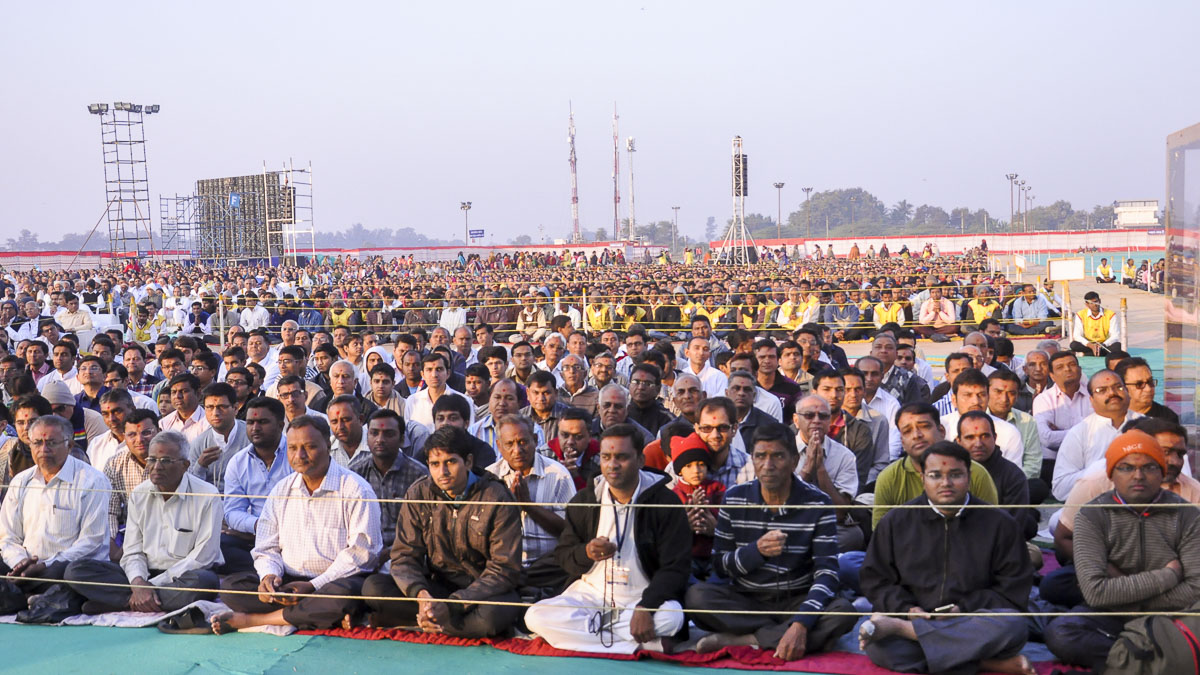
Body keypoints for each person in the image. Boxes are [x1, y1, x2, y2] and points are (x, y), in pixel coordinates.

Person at [859, 440, 1035, 675]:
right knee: (881, 648)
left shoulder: (1000, 524)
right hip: (913, 615)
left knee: (1013, 625)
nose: (946, 483)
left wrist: (962, 609)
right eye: (935, 475)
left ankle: (905, 631)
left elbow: (1012, 589)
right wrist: (907, 609)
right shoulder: (895, 522)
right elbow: (876, 580)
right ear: (922, 478)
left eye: (955, 475)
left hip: (971, 619)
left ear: (969, 477)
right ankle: (986, 664)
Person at [686, 423, 857, 660]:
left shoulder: (818, 503)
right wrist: (756, 551)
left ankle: (747, 640)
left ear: (794, 461)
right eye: (760, 456)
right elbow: (719, 565)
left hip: (797, 598)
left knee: (844, 613)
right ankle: (785, 636)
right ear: (752, 460)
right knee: (696, 598)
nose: (768, 465)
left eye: (777, 456)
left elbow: (827, 573)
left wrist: (801, 622)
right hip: (747, 599)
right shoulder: (734, 499)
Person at [525, 424, 690, 654]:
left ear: (640, 460)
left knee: (672, 618)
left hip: (642, 596)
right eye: (606, 457)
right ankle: (641, 644)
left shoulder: (665, 502)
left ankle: (588, 635)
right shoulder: (585, 500)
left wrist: (646, 607)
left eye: (622, 457)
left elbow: (676, 567)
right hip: (591, 596)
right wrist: (586, 553)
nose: (612, 465)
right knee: (535, 616)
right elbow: (564, 556)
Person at [1044, 430, 1200, 670]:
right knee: (1062, 632)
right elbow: (1095, 592)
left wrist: (1134, 603)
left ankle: (1131, 660)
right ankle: (1159, 659)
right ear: (1111, 474)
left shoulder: (1186, 514)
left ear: (1161, 473)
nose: (1138, 476)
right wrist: (1167, 576)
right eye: (1126, 468)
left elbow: (1195, 588)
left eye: (1149, 467)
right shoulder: (1092, 515)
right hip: (1111, 614)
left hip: (1172, 615)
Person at [212, 415, 381, 634]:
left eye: (309, 447)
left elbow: (362, 554)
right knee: (232, 588)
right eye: (292, 448)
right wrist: (269, 577)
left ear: (327, 445)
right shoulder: (282, 490)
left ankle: (254, 619)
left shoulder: (355, 489)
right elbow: (266, 546)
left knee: (343, 597)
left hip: (333, 582)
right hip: (288, 581)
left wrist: (312, 586)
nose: (299, 455)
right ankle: (315, 615)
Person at [361, 425, 524, 637]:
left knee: (492, 617)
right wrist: (422, 596)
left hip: (483, 591)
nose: (443, 472)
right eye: (435, 464)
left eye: (451, 462)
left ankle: (424, 623)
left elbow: (504, 569)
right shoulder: (419, 492)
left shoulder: (496, 496)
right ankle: (438, 620)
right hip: (438, 587)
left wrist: (454, 605)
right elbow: (403, 556)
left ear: (468, 462)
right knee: (373, 587)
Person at [64, 430, 223, 614]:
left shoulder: (207, 495)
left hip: (182, 576)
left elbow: (203, 557)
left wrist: (150, 585)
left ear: (185, 465)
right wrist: (138, 582)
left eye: (165, 461)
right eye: (152, 460)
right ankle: (137, 601)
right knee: (76, 570)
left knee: (203, 582)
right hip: (143, 573)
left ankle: (122, 602)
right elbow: (132, 550)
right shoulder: (139, 494)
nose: (156, 467)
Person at [0, 415, 111, 622]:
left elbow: (92, 541)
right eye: (37, 443)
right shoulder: (21, 481)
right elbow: (7, 536)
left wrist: (46, 565)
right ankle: (31, 597)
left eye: (51, 443)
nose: (44, 449)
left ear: (69, 445)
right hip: (26, 568)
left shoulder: (92, 480)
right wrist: (20, 563)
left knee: (74, 573)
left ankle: (27, 597)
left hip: (64, 568)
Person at [484, 415, 575, 593]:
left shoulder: (557, 474)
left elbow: (569, 530)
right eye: (509, 444)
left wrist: (528, 506)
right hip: (505, 562)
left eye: (523, 442)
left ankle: (518, 583)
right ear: (499, 446)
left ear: (534, 440)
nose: (517, 450)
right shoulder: (490, 477)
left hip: (548, 563)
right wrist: (508, 507)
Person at [871, 403, 998, 529]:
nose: (916, 435)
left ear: (941, 431)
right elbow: (881, 533)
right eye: (907, 431)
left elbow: (991, 527)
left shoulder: (975, 473)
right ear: (902, 441)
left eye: (924, 426)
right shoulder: (889, 478)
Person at [221, 397, 291, 573]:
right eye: (250, 422)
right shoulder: (238, 462)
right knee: (220, 546)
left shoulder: (296, 456)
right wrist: (258, 525)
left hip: (293, 535)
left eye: (263, 422)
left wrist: (275, 531)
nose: (255, 428)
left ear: (281, 426)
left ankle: (265, 574)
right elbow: (232, 512)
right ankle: (269, 573)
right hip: (254, 535)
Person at [1051, 369, 1142, 500]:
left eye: (1118, 387)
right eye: (1102, 390)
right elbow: (1060, 488)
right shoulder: (1080, 432)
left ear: (1128, 392)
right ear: (1091, 400)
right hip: (1094, 505)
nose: (1112, 393)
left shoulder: (1148, 426)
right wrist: (1104, 470)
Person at [347, 409, 427, 549]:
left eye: (388, 434)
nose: (380, 440)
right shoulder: (355, 473)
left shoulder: (419, 474)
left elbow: (423, 527)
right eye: (374, 433)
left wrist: (390, 552)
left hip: (405, 551)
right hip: (363, 550)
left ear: (402, 439)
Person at [188, 383, 248, 492]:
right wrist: (200, 465)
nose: (215, 413)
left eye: (222, 407)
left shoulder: (251, 436)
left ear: (235, 408)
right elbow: (191, 488)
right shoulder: (198, 444)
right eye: (210, 407)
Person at [1114, 356, 1178, 423]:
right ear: (1122, 387)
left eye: (1150, 382)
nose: (1148, 389)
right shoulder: (1110, 415)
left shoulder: (1166, 418)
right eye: (1139, 384)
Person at [1070, 291, 1121, 356]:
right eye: (1091, 303)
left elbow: (1115, 335)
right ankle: (1099, 353)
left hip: (1104, 344)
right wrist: (1091, 346)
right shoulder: (1080, 315)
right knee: (1073, 345)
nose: (1095, 305)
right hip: (1088, 344)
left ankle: (1086, 354)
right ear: (1087, 304)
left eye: (1096, 301)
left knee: (1118, 346)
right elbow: (1077, 335)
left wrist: (1103, 345)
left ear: (1100, 301)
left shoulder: (1110, 314)